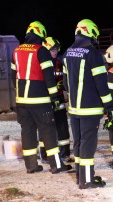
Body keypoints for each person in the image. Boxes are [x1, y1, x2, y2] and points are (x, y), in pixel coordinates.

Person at [11, 21, 72, 175]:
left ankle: (31, 166)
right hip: (40, 101)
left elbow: (13, 76)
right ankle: (56, 165)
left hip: (22, 101)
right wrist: (54, 97)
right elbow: (49, 77)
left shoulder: (16, 51)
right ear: (41, 34)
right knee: (48, 132)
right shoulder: (41, 51)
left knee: (28, 133)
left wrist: (20, 92)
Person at [62, 18, 113, 189]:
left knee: (78, 142)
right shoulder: (93, 55)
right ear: (90, 33)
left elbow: (65, 83)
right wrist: (109, 106)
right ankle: (86, 180)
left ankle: (80, 176)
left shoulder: (68, 53)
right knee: (88, 144)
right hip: (90, 109)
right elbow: (101, 84)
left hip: (74, 108)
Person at [43, 36, 72, 162]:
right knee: (46, 127)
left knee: (62, 126)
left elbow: (66, 79)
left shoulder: (60, 64)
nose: (55, 52)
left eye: (56, 49)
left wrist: (63, 85)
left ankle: (65, 154)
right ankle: (45, 155)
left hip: (59, 99)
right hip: (46, 100)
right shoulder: (43, 65)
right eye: (52, 49)